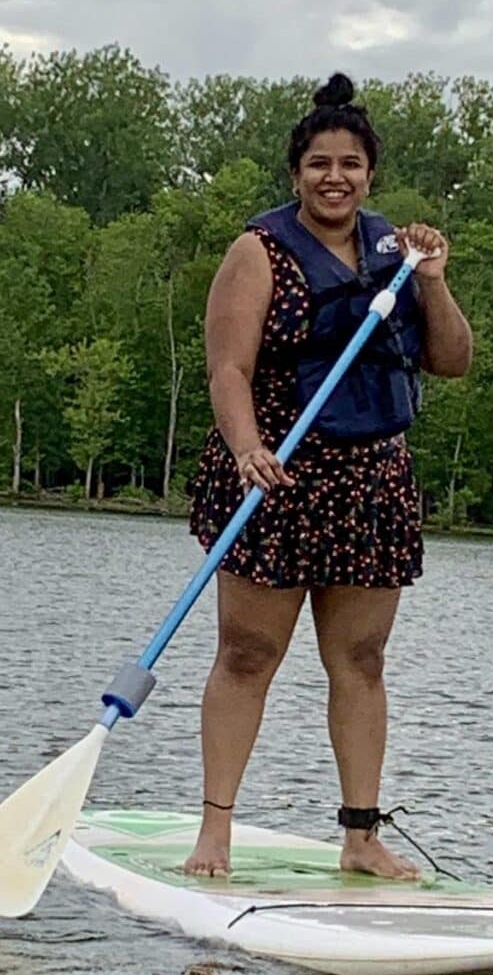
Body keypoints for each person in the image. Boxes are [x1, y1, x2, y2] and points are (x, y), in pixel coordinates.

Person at [185, 72, 473, 879]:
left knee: (363, 661)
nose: (334, 177)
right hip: (277, 476)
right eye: (319, 164)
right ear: (296, 174)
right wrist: (247, 448)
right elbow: (228, 371)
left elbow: (452, 360)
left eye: (350, 164)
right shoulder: (258, 252)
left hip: (370, 485)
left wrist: (433, 280)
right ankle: (215, 831)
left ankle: (360, 836)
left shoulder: (399, 255)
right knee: (249, 655)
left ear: (369, 174)